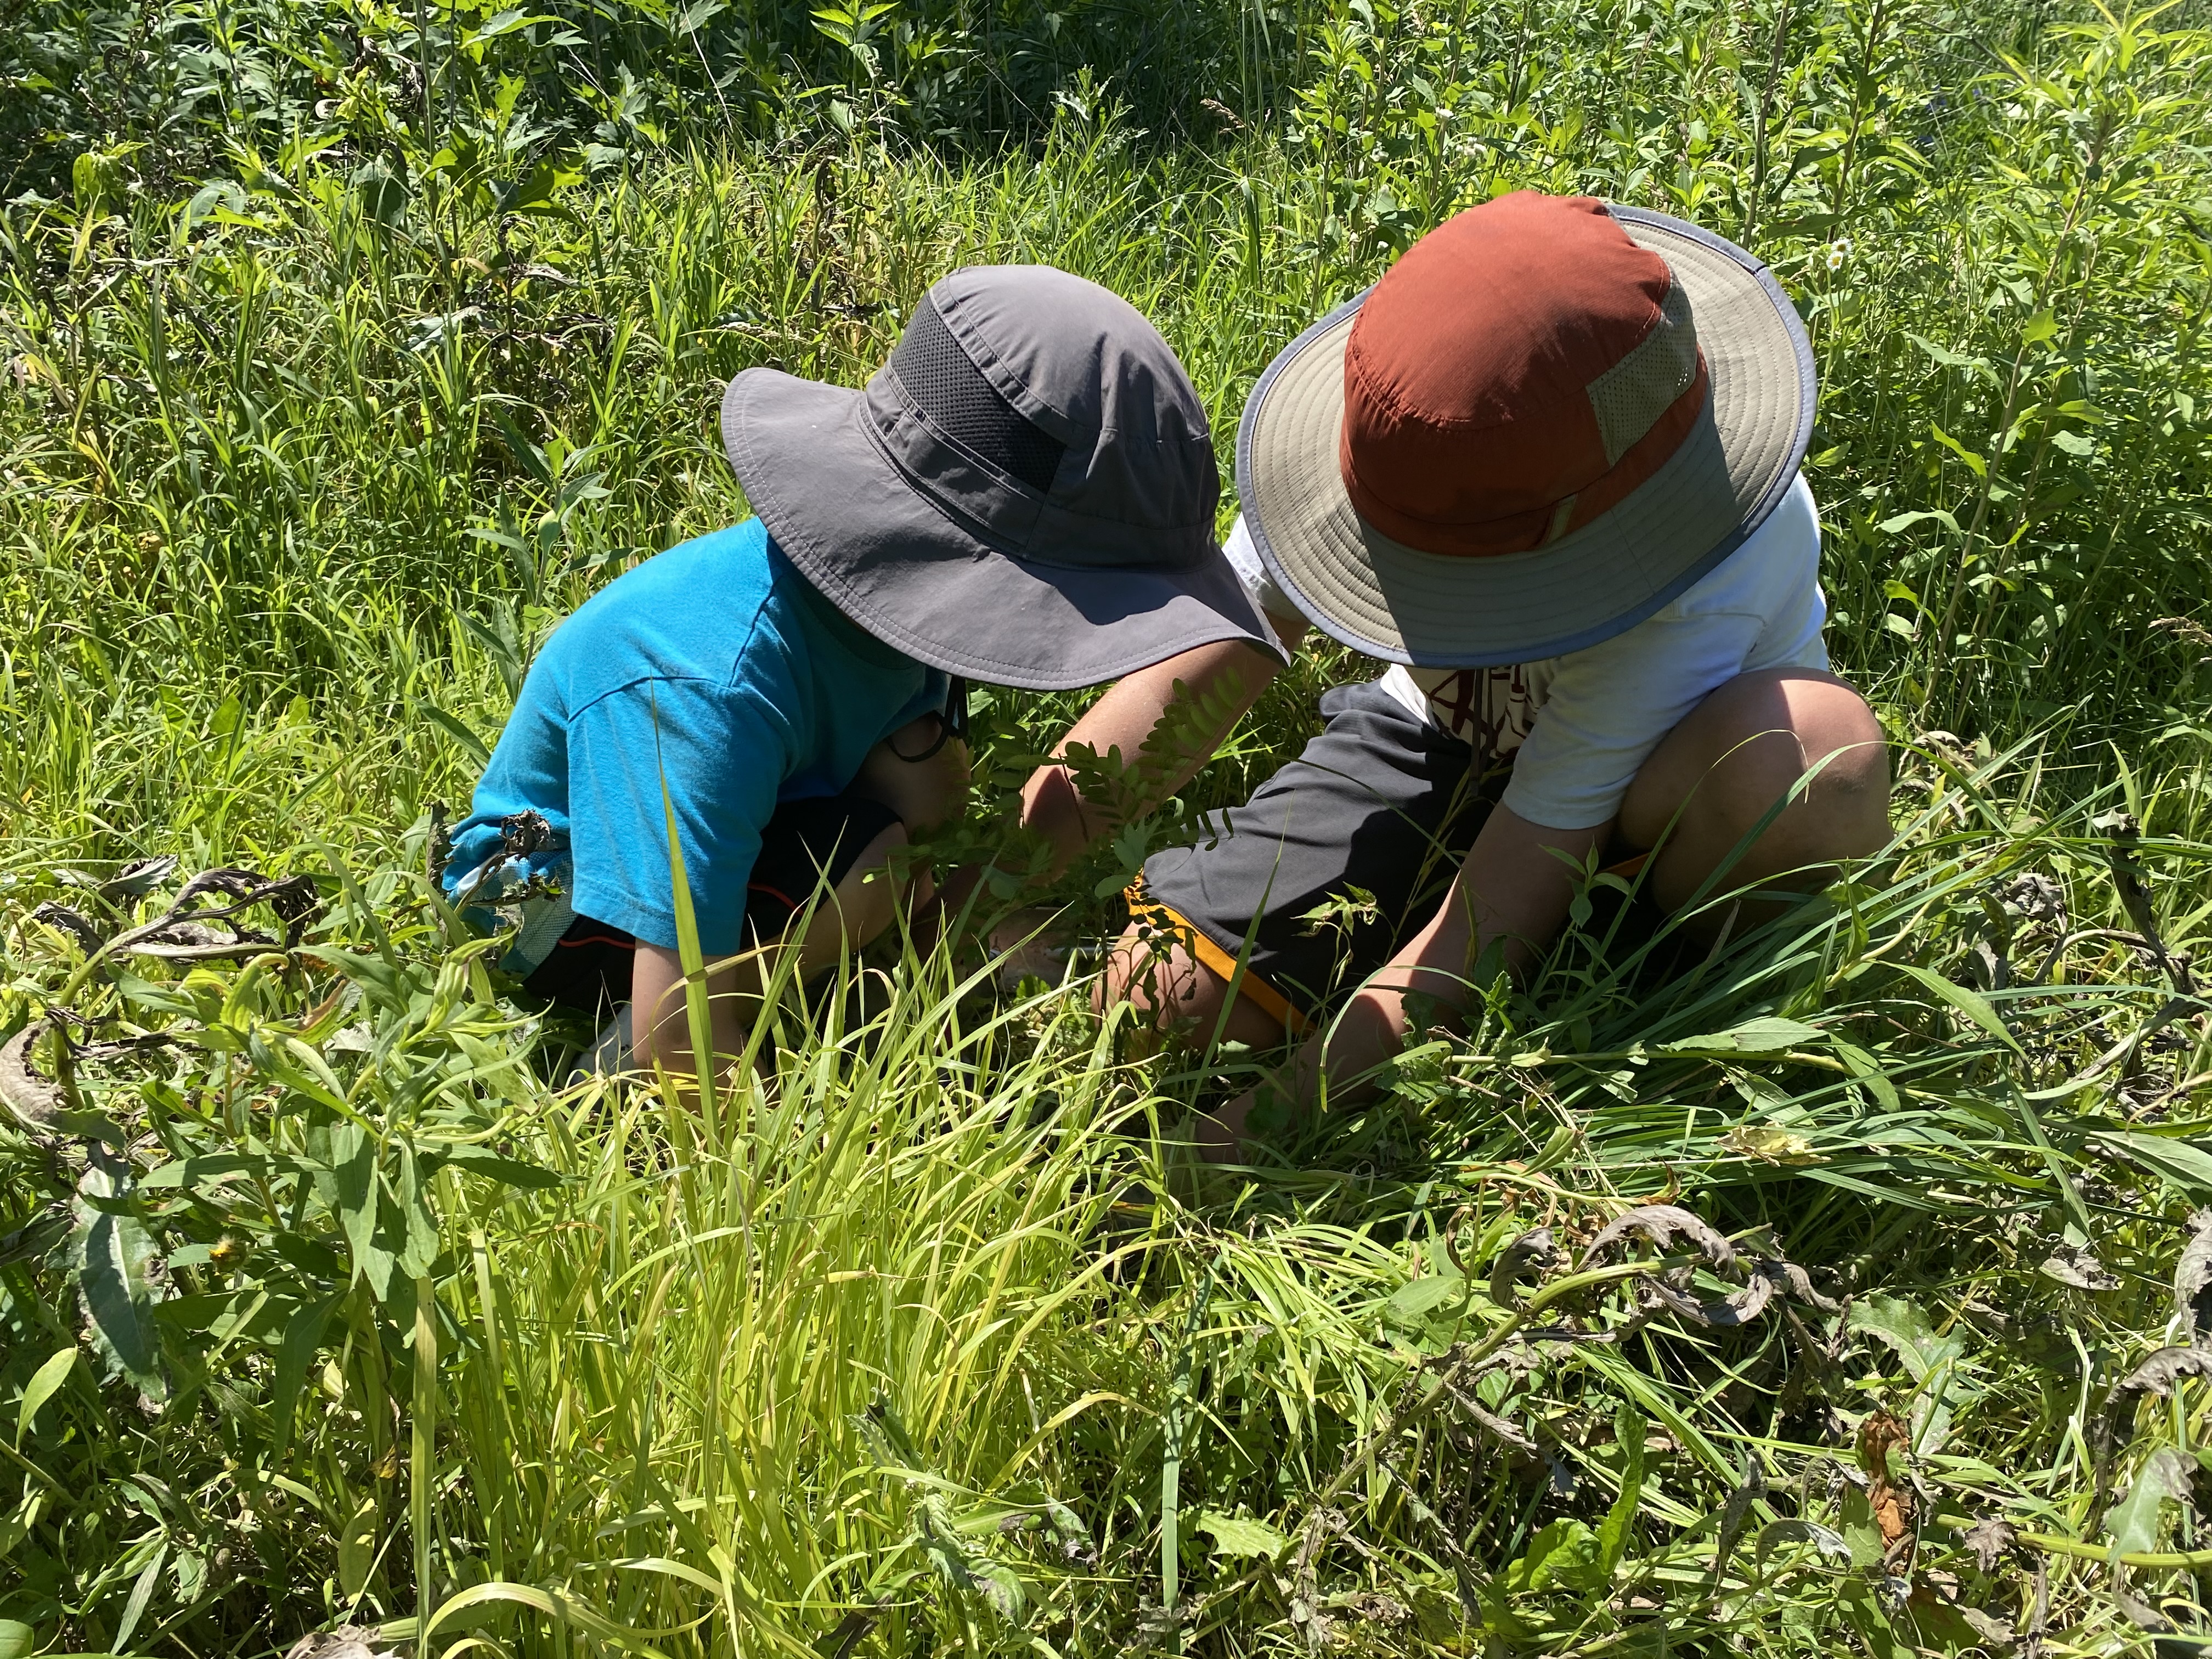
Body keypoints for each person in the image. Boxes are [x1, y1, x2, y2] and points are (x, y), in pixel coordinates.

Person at [1099, 191, 1892, 1158]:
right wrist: (996, 873)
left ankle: (1662, 986)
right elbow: (1198, 673)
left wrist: (1237, 1144)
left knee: (1810, 764)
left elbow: (1493, 914)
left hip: (1669, 801)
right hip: (1447, 735)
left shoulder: (1708, 567)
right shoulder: (1423, 427)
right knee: (1146, 1009)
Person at [442, 265, 1285, 1074]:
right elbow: (681, 1040)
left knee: (912, 818)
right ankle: (626, 1046)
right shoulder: (708, 692)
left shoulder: (883, 608)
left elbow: (938, 806)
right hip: (542, 893)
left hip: (753, 779)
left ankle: (822, 937)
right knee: (873, 863)